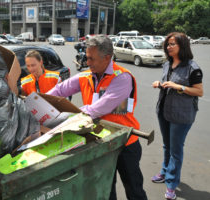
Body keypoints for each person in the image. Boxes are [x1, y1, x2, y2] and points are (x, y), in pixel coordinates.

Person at [47, 35, 147, 200]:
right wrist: (41, 102)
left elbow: (98, 108)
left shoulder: (121, 77)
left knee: (134, 188)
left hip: (125, 143)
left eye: (92, 59)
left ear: (107, 57)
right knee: (106, 187)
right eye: (87, 57)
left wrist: (67, 117)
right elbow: (59, 90)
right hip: (101, 142)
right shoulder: (86, 75)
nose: (88, 62)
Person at [151, 32, 203, 200]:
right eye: (168, 44)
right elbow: (168, 85)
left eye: (172, 44)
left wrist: (178, 86)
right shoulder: (167, 64)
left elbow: (199, 91)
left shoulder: (193, 68)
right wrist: (160, 84)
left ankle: (171, 185)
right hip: (164, 110)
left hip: (181, 115)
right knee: (167, 145)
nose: (169, 47)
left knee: (176, 150)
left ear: (183, 46)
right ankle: (165, 172)